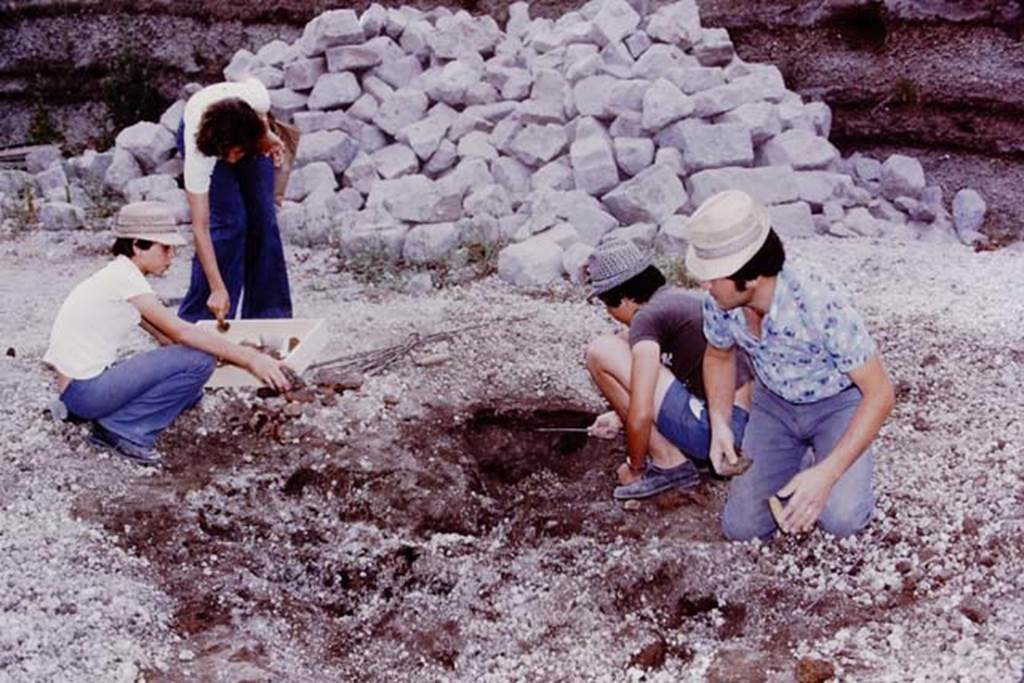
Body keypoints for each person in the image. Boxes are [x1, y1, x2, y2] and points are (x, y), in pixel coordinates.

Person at [685, 190, 895, 539]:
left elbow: (881, 393)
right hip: (774, 404)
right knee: (742, 529)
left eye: (712, 276)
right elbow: (719, 354)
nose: (703, 284)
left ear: (750, 278)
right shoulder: (720, 301)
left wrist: (827, 475)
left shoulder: (818, 299)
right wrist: (719, 423)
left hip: (838, 403)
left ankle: (828, 460)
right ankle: (798, 461)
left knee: (841, 521)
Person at [43, 201, 293, 467]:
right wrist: (250, 358)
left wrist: (227, 352)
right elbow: (182, 333)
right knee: (200, 361)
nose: (172, 255)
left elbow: (165, 338)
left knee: (192, 385)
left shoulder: (118, 275)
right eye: (165, 247)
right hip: (84, 393)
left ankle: (106, 417)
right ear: (138, 245)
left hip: (77, 391)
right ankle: (123, 430)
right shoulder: (125, 280)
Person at [584, 237, 754, 500]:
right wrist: (619, 417)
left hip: (716, 432)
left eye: (608, 305)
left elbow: (641, 413)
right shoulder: (674, 301)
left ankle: (668, 463)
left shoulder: (647, 317)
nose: (610, 313)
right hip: (735, 424)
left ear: (625, 299)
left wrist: (635, 467)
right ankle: (682, 455)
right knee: (625, 343)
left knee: (602, 351)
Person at [176, 76, 292, 325]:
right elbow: (201, 227)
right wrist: (217, 287)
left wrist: (267, 133)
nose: (231, 162)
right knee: (229, 223)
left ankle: (269, 319)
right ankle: (200, 321)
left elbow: (250, 84)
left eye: (237, 154)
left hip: (247, 128)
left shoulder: (258, 99)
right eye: (227, 157)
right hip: (210, 131)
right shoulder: (201, 152)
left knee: (264, 220)